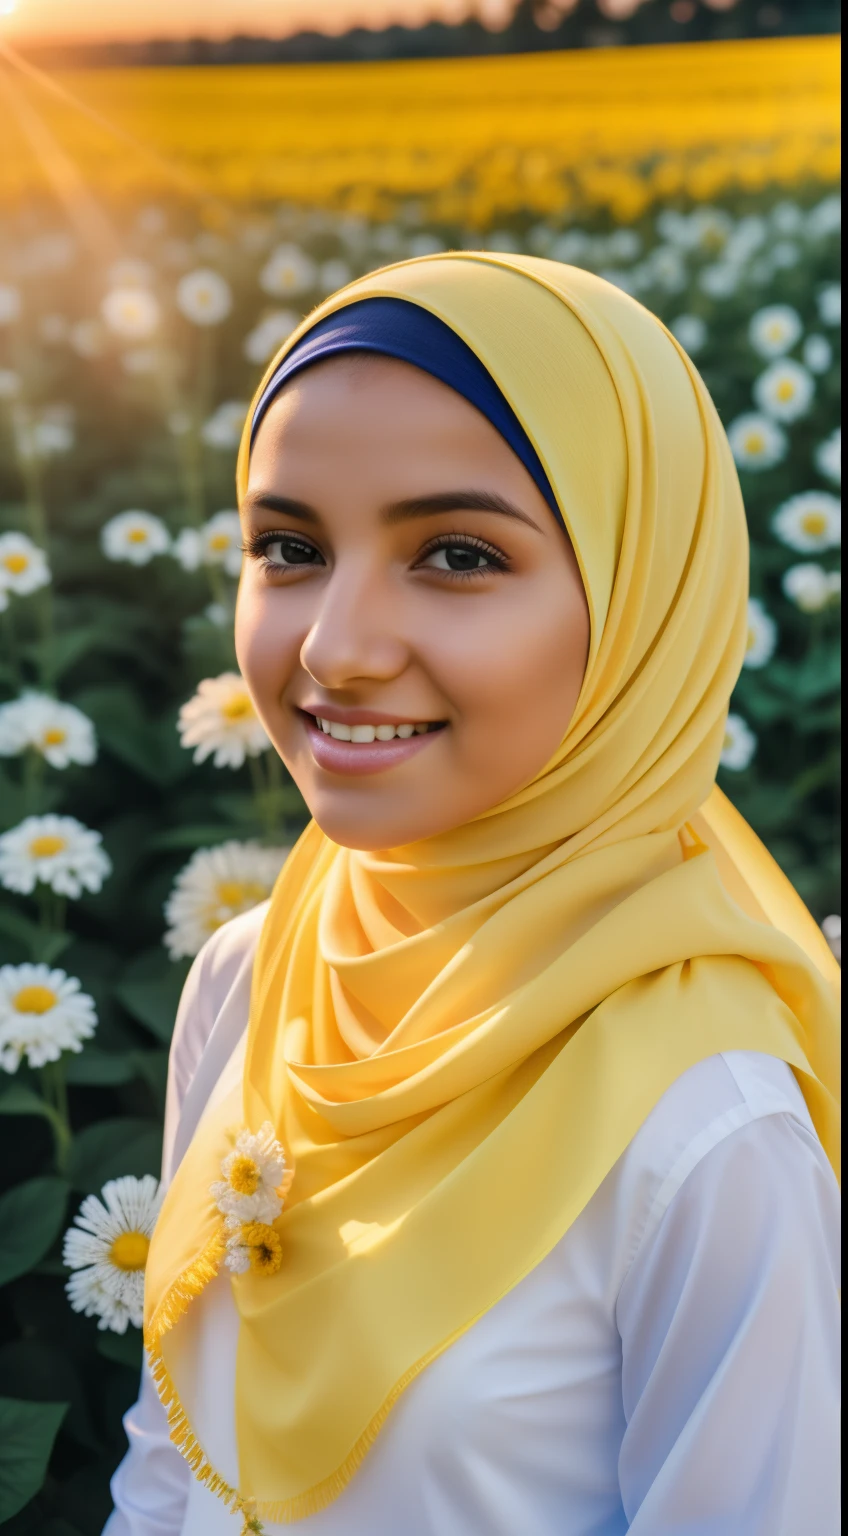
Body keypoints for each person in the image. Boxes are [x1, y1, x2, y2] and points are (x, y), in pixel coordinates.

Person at [106, 256, 840, 1536]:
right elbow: (170, 1463)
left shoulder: (704, 1137)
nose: (334, 647)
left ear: (637, 610)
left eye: (452, 554)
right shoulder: (249, 975)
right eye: (287, 548)